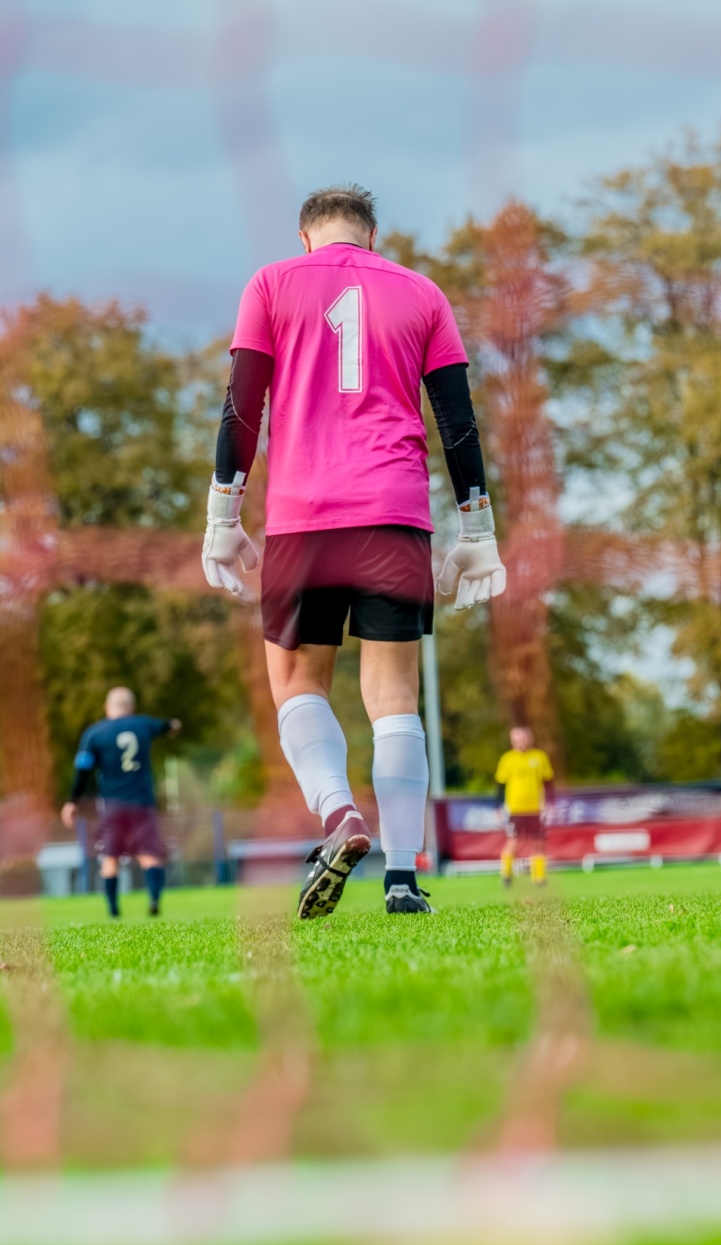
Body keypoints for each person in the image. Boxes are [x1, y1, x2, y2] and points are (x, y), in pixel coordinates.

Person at [201, 183, 506, 919]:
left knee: (297, 683)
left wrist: (222, 516)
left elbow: (243, 407)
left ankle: (339, 814)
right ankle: (402, 879)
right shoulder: (422, 292)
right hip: (395, 512)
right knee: (395, 698)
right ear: (373, 236)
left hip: (303, 515)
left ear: (305, 236)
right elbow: (458, 421)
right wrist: (478, 530)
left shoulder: (271, 283)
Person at [61, 687, 181, 919]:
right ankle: (154, 899)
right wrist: (174, 726)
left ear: (107, 707)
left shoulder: (94, 734)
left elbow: (82, 771)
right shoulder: (144, 724)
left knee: (110, 857)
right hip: (143, 803)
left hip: (112, 806)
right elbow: (169, 725)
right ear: (131, 708)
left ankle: (114, 910)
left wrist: (72, 801)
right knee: (148, 853)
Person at [495, 726, 555, 887]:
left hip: (535, 809)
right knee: (513, 842)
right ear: (512, 741)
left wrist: (551, 803)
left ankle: (539, 878)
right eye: (517, 739)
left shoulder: (539, 757)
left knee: (539, 843)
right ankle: (506, 874)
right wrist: (498, 807)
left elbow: (548, 782)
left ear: (530, 739)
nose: (521, 742)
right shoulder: (507, 759)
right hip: (515, 809)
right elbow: (500, 785)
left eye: (523, 738)